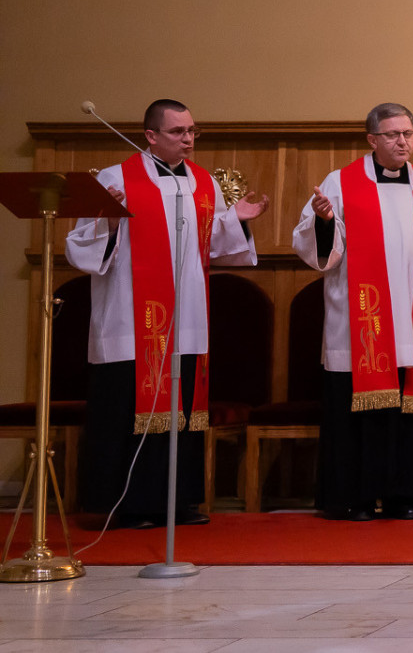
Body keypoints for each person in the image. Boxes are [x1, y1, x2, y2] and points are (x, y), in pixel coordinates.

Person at [68, 99, 267, 527]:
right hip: (129, 320)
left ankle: (178, 501)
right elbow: (81, 245)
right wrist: (108, 222)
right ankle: (126, 506)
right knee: (127, 410)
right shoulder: (115, 179)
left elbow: (212, 244)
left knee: (181, 409)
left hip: (187, 316)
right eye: (178, 132)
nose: (189, 139)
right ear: (151, 136)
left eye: (193, 131)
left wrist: (237, 220)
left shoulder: (203, 182)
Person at [293, 103, 413, 521]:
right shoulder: (340, 183)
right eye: (392, 134)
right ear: (372, 140)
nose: (403, 142)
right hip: (361, 319)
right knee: (359, 414)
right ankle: (356, 498)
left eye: (408, 134)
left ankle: (407, 495)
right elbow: (320, 251)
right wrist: (324, 222)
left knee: (410, 415)